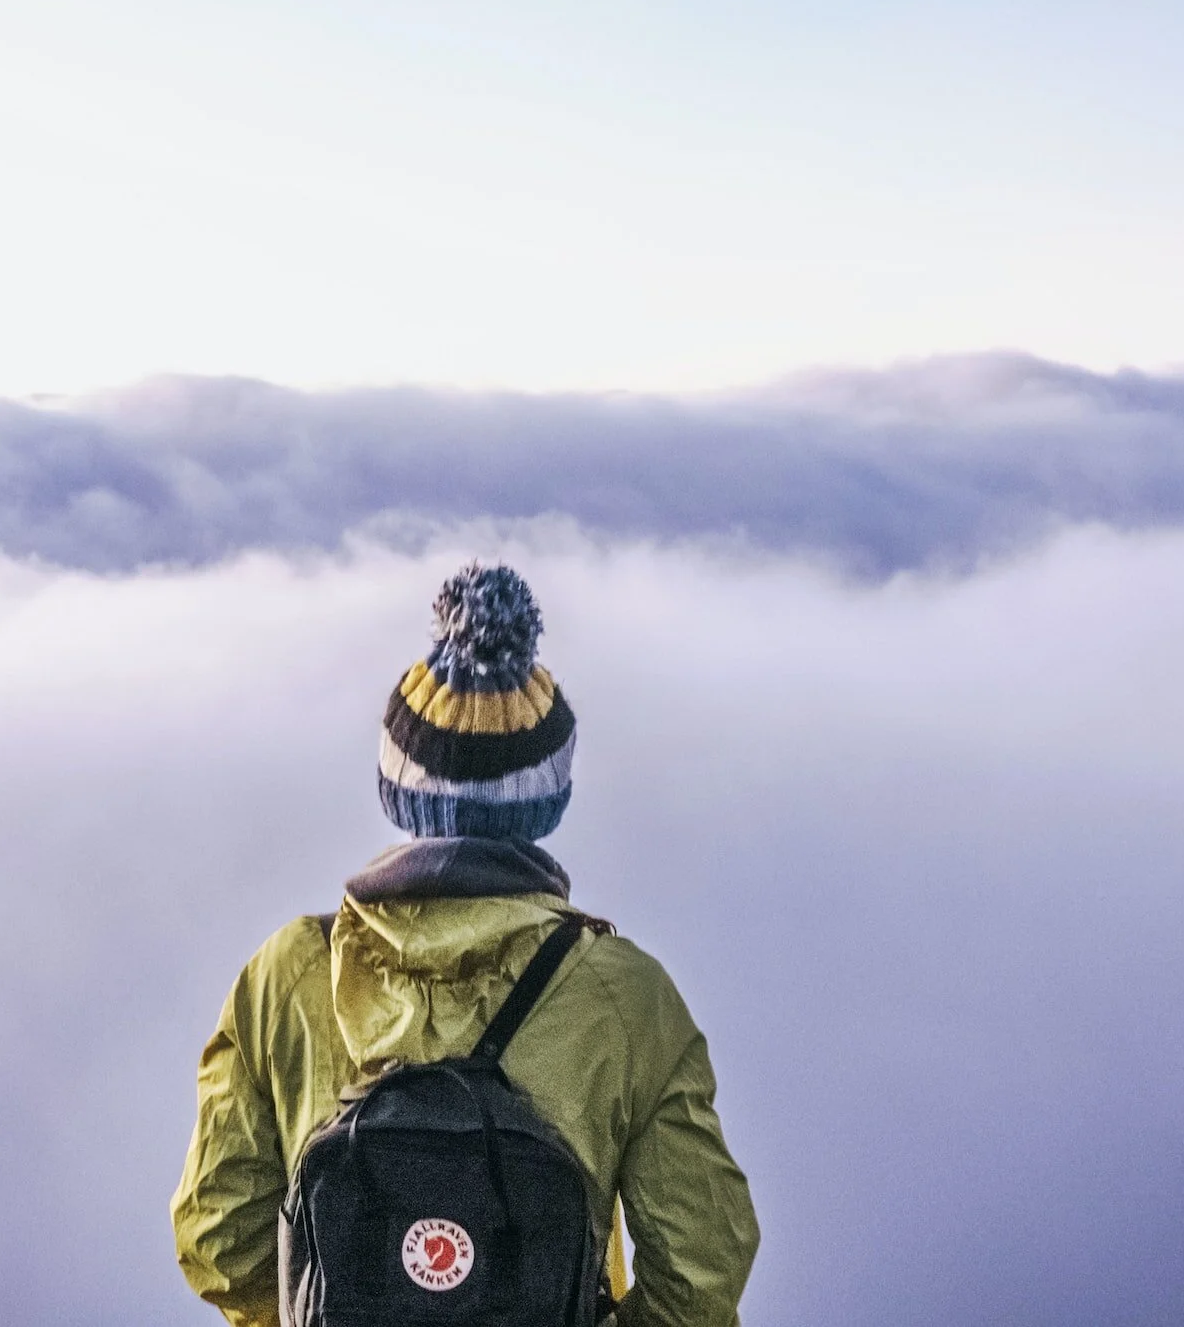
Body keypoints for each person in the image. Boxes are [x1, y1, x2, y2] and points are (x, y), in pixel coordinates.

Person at [171, 563, 759, 1327]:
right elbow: (701, 1268)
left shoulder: (287, 974)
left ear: (397, 789)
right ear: (548, 800)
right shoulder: (624, 997)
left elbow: (216, 1235)